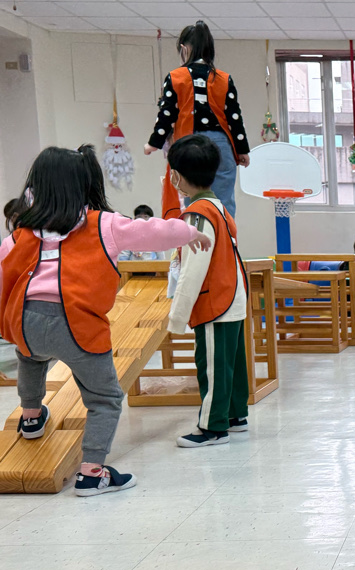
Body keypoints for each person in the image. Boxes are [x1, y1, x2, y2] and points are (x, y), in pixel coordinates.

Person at [0, 145, 208, 495]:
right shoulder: (103, 224)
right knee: (105, 398)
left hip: (26, 320)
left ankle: (31, 416)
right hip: (76, 324)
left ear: (36, 187)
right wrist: (190, 233)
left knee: (29, 356)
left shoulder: (21, 233)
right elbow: (152, 231)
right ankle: (93, 473)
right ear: (85, 184)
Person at [164, 135, 249, 448]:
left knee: (212, 365)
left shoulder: (197, 214)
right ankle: (235, 415)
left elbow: (193, 270)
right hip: (233, 296)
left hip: (216, 300)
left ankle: (213, 428)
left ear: (177, 176)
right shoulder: (219, 206)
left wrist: (177, 316)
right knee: (231, 364)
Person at [144, 21, 250, 220]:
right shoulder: (224, 79)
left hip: (191, 145)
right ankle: (226, 237)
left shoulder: (175, 77)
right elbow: (235, 118)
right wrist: (242, 149)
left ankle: (198, 237)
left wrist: (153, 143)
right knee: (224, 204)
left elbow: (167, 114)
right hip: (222, 145)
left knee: (195, 202)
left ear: (184, 49)